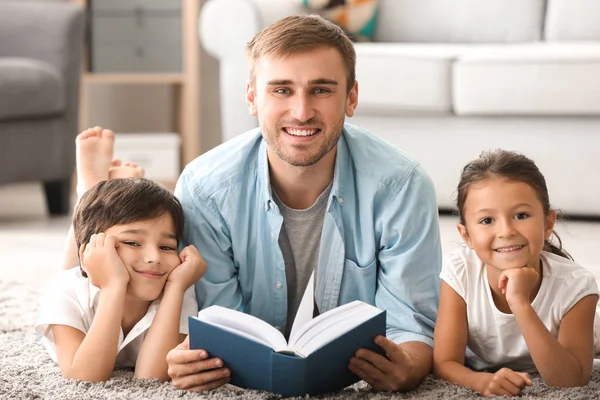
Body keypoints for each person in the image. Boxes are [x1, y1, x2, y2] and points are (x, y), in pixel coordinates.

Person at [166, 15, 442, 393]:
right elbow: (219, 321)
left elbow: (411, 325)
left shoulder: (402, 187)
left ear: (351, 98)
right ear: (252, 98)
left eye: (321, 90)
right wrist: (195, 361)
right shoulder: (204, 189)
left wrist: (409, 366)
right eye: (281, 90)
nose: (301, 111)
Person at [34, 127, 206, 382]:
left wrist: (177, 287)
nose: (154, 257)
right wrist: (114, 286)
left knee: (94, 236)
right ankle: (91, 188)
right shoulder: (66, 292)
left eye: (167, 247)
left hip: (102, 261)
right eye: (132, 242)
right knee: (73, 264)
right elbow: (84, 376)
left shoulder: (177, 285)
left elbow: (152, 377)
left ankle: (105, 190)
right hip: (84, 274)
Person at [433, 149, 600, 397]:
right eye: (487, 220)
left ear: (547, 224)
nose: (506, 231)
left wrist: (520, 303)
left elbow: (571, 380)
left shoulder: (576, 286)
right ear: (466, 235)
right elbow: (444, 362)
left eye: (521, 215)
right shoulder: (460, 271)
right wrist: (481, 381)